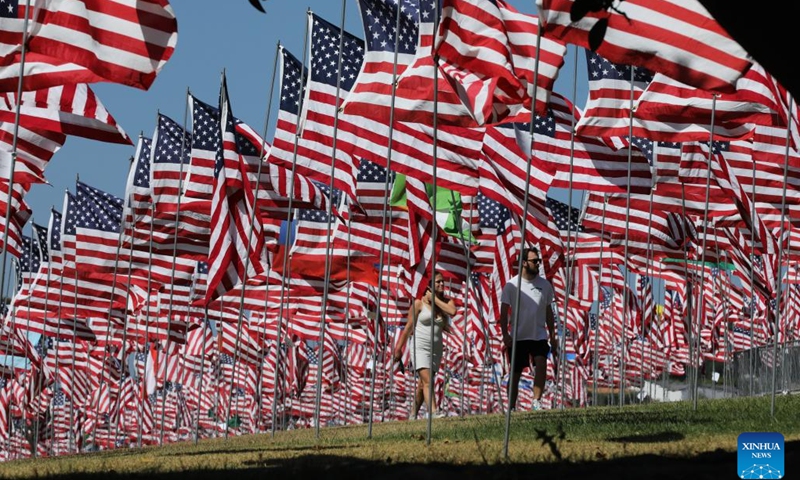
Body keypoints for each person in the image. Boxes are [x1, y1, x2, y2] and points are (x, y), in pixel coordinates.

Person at [499, 247, 557, 411]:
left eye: (538, 261)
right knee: (515, 373)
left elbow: (548, 311)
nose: (538, 264)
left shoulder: (544, 285)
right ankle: (510, 408)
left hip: (539, 335)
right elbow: (504, 312)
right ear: (524, 263)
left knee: (541, 364)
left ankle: (536, 402)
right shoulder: (511, 285)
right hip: (518, 336)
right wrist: (505, 334)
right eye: (534, 261)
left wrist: (552, 335)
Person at [393, 271, 456, 419]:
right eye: (438, 282)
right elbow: (408, 327)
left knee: (423, 384)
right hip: (420, 346)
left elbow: (453, 311)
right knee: (428, 381)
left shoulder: (446, 302)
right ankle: (434, 412)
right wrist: (398, 349)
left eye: (442, 282)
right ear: (429, 286)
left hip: (436, 349)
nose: (441, 284)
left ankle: (413, 413)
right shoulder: (419, 304)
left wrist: (434, 299)